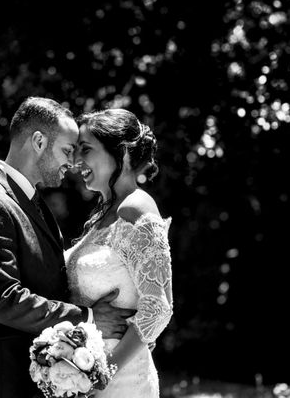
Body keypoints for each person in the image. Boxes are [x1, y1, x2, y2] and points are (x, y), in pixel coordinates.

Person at [0, 97, 135, 398]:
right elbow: (4, 299)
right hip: (6, 384)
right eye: (66, 150)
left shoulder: (32, 202)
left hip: (45, 381)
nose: (72, 163)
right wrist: (88, 318)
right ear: (38, 141)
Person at [65, 108, 173, 398]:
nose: (76, 162)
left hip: (121, 382)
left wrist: (101, 374)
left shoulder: (136, 207)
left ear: (121, 153)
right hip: (87, 373)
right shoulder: (102, 215)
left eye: (85, 149)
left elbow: (159, 308)